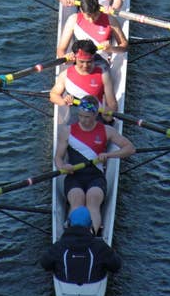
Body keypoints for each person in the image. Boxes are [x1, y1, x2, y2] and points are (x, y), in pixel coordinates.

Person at [52, 94, 136, 234]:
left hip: (96, 177)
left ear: (96, 114)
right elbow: (58, 158)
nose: (83, 120)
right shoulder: (67, 132)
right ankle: (72, 234)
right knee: (77, 200)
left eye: (87, 117)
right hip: (74, 176)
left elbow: (130, 148)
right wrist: (63, 167)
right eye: (80, 116)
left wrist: (109, 155)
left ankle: (91, 234)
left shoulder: (107, 131)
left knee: (93, 200)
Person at [39, 205, 123, 285]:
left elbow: (45, 264)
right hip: (93, 285)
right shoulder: (101, 247)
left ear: (69, 224)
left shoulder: (58, 246)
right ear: (90, 226)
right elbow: (116, 266)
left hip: (65, 285)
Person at [48, 41, 117, 125]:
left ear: (93, 58)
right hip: (76, 114)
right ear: (75, 58)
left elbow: (112, 104)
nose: (85, 65)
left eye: (89, 62)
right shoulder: (65, 75)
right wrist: (64, 102)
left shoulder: (103, 75)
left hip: (96, 115)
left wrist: (109, 114)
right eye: (81, 62)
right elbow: (53, 94)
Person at [57, 0, 128, 66]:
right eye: (88, 17)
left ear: (99, 9)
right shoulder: (73, 20)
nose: (92, 20)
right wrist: (65, 59)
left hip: (101, 61)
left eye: (95, 15)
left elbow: (125, 46)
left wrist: (111, 49)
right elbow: (61, 49)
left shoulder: (111, 20)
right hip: (81, 60)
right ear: (81, 11)